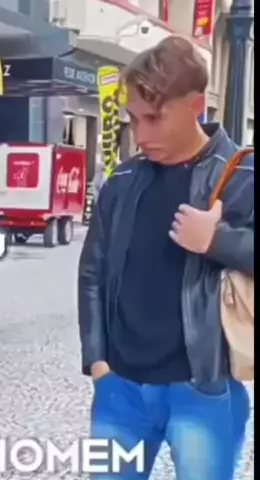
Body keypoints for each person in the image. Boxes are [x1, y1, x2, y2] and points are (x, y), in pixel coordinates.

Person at [78, 36, 253, 480]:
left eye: (154, 118)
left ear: (196, 107)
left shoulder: (242, 176)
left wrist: (216, 241)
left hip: (203, 388)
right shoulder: (123, 180)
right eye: (134, 119)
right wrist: (98, 363)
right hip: (121, 389)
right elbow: (93, 272)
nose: (141, 135)